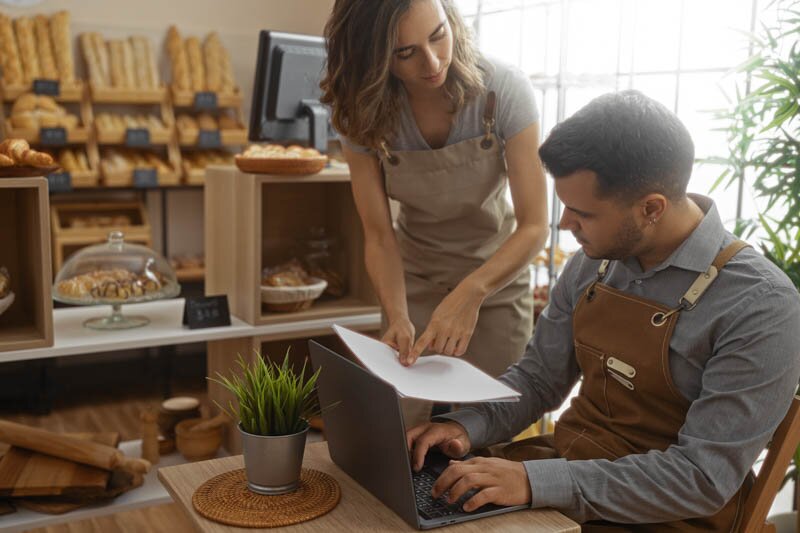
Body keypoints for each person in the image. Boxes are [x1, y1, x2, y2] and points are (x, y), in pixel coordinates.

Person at [406, 90, 800, 531]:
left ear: (651, 208)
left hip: (672, 518)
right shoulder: (594, 261)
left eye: (582, 213)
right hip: (569, 469)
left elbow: (701, 477)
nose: (563, 225)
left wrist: (534, 482)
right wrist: (467, 426)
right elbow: (537, 380)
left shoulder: (761, 305)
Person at [319, 0, 549, 424]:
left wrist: (472, 292)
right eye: (404, 53)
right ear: (372, 58)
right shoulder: (360, 111)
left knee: (497, 429)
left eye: (438, 35)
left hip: (494, 282)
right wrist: (398, 313)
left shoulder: (503, 90)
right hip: (412, 283)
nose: (432, 62)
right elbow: (378, 235)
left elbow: (535, 225)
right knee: (404, 427)